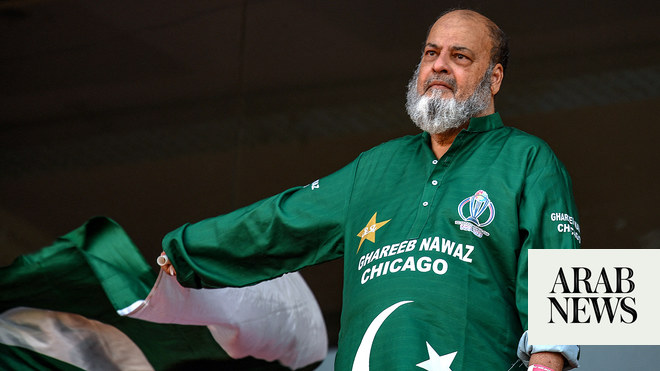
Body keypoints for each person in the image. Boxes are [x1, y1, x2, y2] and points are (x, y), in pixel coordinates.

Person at [160, 9, 581, 371]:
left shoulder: (527, 157)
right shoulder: (375, 166)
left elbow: (558, 268)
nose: (438, 65)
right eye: (431, 53)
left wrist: (547, 363)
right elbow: (282, 221)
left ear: (494, 78)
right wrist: (188, 250)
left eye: (460, 56)